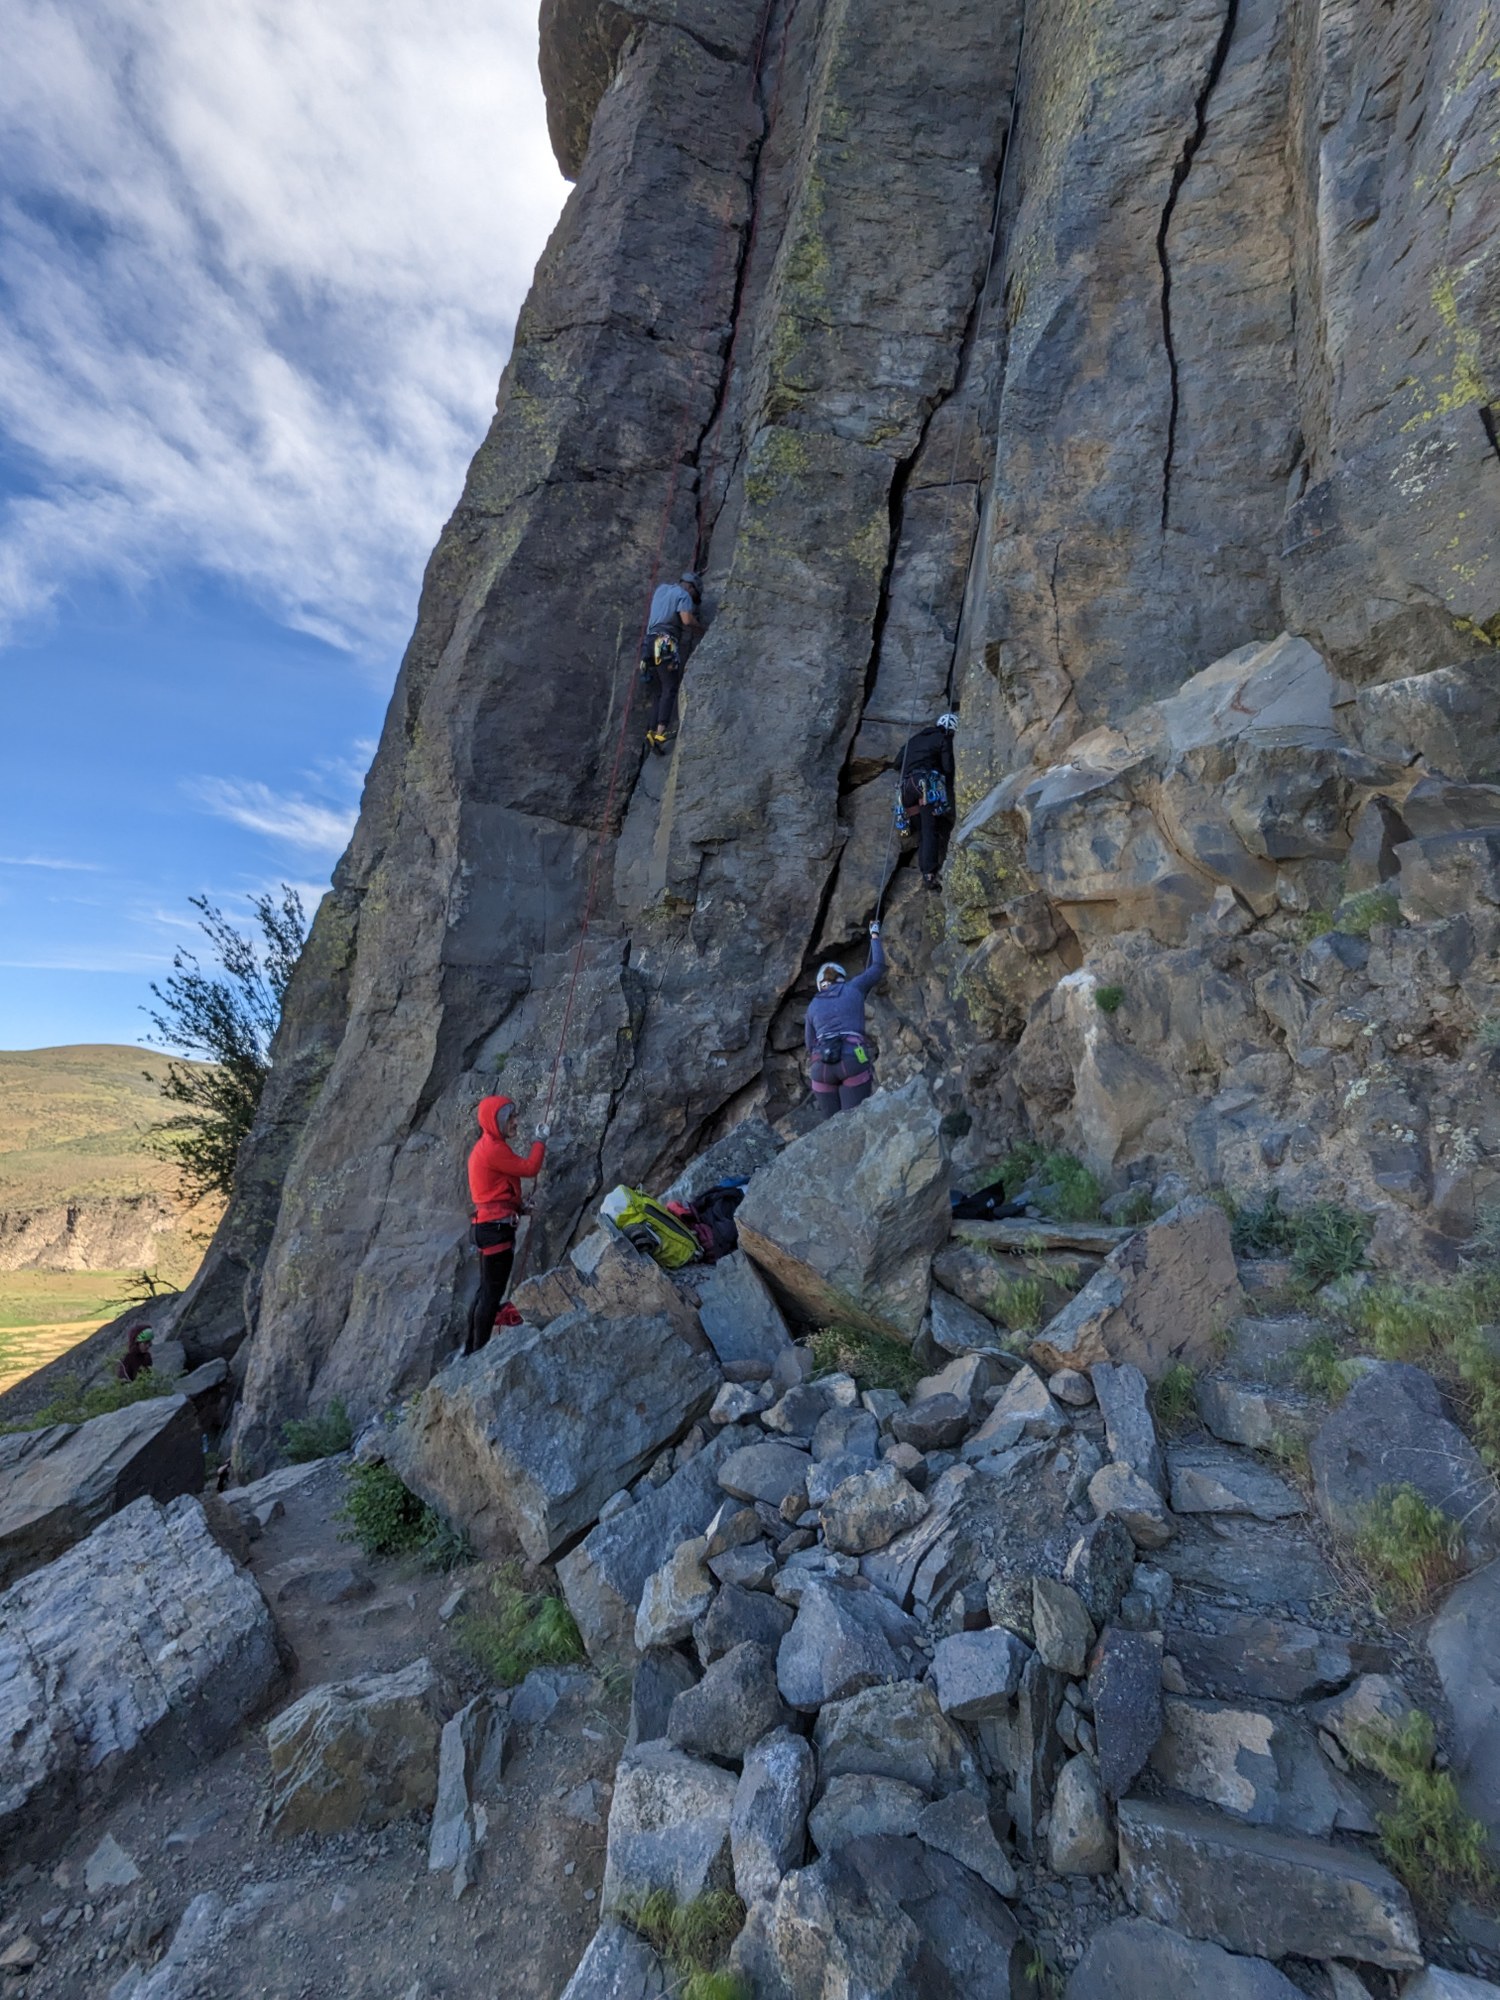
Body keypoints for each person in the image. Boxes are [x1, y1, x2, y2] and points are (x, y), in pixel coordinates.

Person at [465, 1095, 547, 1355]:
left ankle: (470, 1349)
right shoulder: (493, 1149)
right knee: (491, 1294)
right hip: (495, 1230)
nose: (515, 1122)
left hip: (487, 1227)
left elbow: (497, 1191)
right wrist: (540, 1141)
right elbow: (530, 1167)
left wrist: (520, 1208)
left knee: (485, 1290)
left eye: (514, 1116)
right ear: (495, 1121)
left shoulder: (488, 1146)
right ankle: (477, 1354)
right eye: (510, 1118)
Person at [805, 921, 886, 1120]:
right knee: (854, 1119)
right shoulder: (854, 987)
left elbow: (809, 1044)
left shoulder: (813, 1004)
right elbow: (878, 966)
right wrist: (874, 935)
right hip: (853, 1057)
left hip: (821, 1065)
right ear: (841, 977)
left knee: (830, 1126)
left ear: (820, 985)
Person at [639, 570, 703, 750]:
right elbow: (687, 620)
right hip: (665, 642)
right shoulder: (684, 595)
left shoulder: (661, 590)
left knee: (659, 691)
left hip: (649, 644)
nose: (692, 598)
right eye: (694, 594)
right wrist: (702, 630)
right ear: (690, 588)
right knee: (670, 687)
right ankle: (660, 732)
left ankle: (651, 733)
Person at [895, 711, 958, 889]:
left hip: (906, 788)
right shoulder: (943, 739)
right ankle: (929, 875)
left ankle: (927, 871)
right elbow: (947, 768)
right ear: (951, 731)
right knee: (929, 830)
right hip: (924, 786)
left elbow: (897, 763)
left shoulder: (914, 739)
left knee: (925, 830)